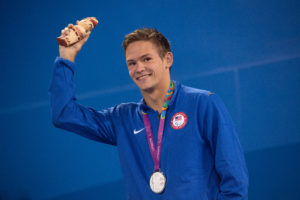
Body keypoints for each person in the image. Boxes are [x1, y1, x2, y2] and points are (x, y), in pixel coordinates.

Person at [49, 24, 249, 199]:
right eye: (132, 63)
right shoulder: (123, 119)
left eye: (146, 59)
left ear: (167, 59)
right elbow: (64, 114)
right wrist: (67, 57)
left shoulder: (203, 104)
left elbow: (234, 180)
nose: (139, 68)